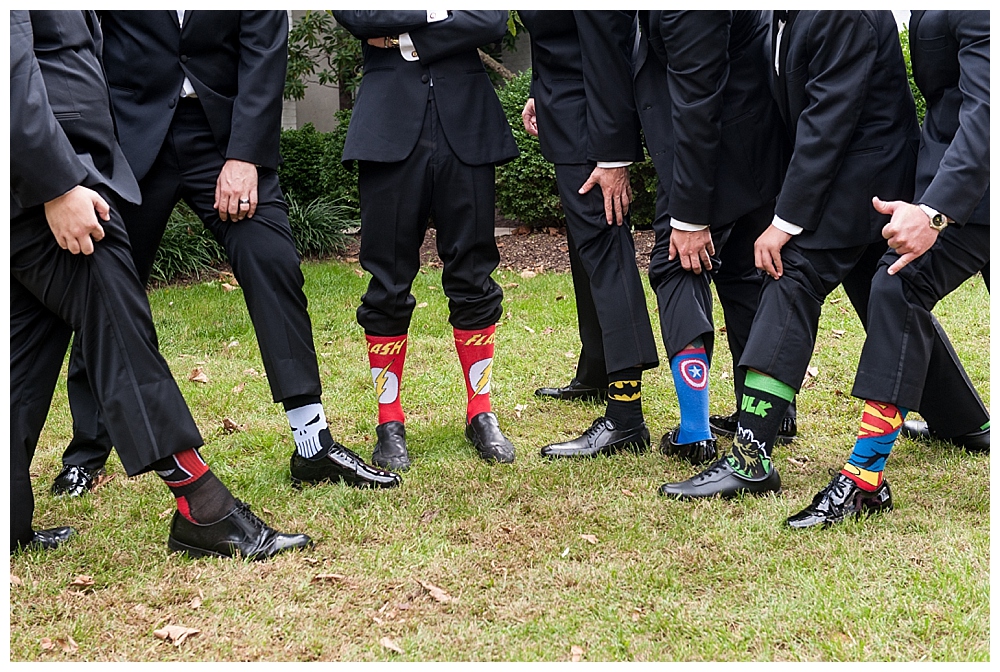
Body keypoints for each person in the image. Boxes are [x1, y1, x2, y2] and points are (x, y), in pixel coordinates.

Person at [51, 10, 400, 497]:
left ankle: (312, 443)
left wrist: (246, 155)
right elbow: (83, 40)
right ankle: (86, 454)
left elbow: (264, 49)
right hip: (127, 136)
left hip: (224, 138)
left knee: (272, 262)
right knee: (106, 288)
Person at [10, 9, 310, 559]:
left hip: (64, 174)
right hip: (54, 182)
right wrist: (57, 185)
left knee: (24, 355)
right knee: (121, 331)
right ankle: (202, 505)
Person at [660, 9, 987, 500]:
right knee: (888, 295)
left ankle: (752, 459)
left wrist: (785, 221)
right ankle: (964, 422)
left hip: (871, 181)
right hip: (886, 178)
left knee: (796, 275)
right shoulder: (780, 15)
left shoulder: (842, 12)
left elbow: (826, 122)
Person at [786, 10, 990, 527]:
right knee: (898, 283)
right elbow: (949, 105)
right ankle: (870, 478)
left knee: (897, 284)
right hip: (959, 185)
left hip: (975, 192)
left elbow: (988, 109)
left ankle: (862, 480)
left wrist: (935, 210)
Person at [332, 10, 520, 469]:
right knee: (388, 278)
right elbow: (357, 14)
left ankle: (480, 411)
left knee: (474, 272)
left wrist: (403, 37)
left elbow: (491, 19)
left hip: (467, 125)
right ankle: (389, 420)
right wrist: (442, 11)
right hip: (388, 127)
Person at [634, 10, 793, 466]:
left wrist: (688, 215)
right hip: (756, 141)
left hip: (714, 152)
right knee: (745, 275)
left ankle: (694, 431)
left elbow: (697, 99)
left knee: (676, 266)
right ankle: (764, 415)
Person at [519, 10, 660, 459]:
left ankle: (625, 416)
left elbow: (608, 49)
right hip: (566, 114)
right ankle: (598, 370)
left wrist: (614, 155)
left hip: (593, 130)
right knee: (586, 252)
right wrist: (539, 92)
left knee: (605, 253)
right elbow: (560, 39)